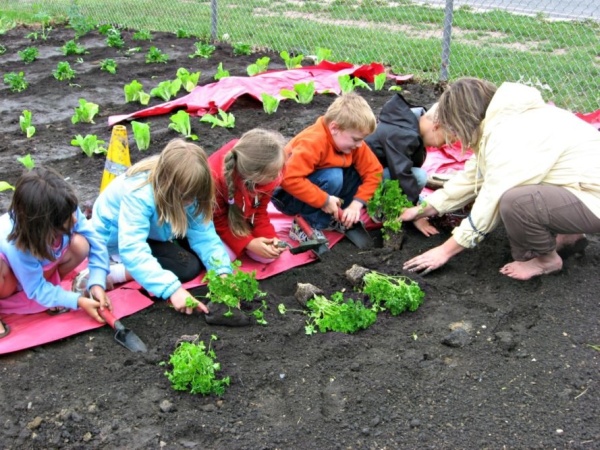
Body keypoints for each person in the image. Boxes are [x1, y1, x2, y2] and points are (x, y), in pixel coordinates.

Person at [401, 77, 600, 280]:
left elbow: (491, 198)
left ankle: (546, 261)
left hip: (593, 197)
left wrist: (445, 251)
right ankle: (570, 237)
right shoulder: (503, 120)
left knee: (516, 202)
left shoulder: (506, 135)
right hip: (583, 189)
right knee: (526, 192)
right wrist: (421, 210)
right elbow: (472, 178)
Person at [91, 138, 232, 315]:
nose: (190, 202)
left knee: (208, 257)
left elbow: (203, 234)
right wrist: (173, 290)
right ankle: (113, 272)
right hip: (116, 237)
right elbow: (133, 248)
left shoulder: (187, 189)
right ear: (168, 187)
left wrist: (222, 273)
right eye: (185, 197)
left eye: (193, 196)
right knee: (188, 268)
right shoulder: (139, 194)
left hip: (158, 227)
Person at [0, 167, 112, 338]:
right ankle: (45, 297)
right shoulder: (17, 243)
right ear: (44, 226)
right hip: (8, 280)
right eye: (68, 218)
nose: (75, 218)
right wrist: (77, 301)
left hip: (34, 276)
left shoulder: (65, 209)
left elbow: (96, 241)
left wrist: (97, 282)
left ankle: (52, 294)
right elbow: (36, 288)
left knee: (81, 244)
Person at [271, 93, 383, 241]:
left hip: (316, 187)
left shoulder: (353, 144)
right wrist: (324, 200)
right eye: (356, 139)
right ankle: (306, 223)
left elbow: (374, 172)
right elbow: (288, 178)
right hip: (287, 196)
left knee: (356, 172)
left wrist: (356, 204)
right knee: (333, 176)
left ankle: (331, 217)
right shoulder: (313, 141)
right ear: (334, 128)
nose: (360, 144)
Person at [365, 93, 446, 236]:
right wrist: (416, 213)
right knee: (418, 177)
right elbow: (401, 174)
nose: (441, 146)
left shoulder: (409, 124)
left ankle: (391, 205)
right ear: (436, 127)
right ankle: (379, 208)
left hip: (377, 171)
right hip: (362, 179)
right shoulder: (403, 134)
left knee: (417, 177)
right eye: (445, 140)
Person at [209, 128, 288, 262]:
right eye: (273, 174)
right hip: (211, 222)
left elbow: (259, 211)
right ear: (253, 176)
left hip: (238, 218)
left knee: (268, 256)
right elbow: (218, 220)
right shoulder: (215, 180)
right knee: (227, 258)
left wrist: (270, 238)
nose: (278, 177)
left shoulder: (268, 173)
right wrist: (249, 243)